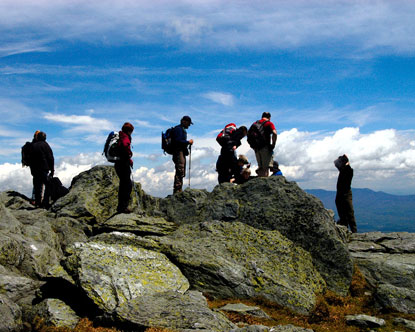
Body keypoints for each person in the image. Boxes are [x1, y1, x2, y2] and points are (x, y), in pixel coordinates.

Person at [30, 131, 54, 208]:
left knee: (37, 186)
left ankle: (37, 202)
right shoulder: (46, 145)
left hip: (35, 169)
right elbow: (50, 158)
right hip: (44, 169)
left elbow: (30, 158)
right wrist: (52, 170)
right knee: (48, 185)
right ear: (44, 138)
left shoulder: (33, 146)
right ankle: (45, 202)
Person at [115, 122, 134, 214]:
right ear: (129, 130)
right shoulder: (125, 137)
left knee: (123, 184)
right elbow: (125, 145)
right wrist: (129, 154)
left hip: (119, 163)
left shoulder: (120, 136)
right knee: (127, 185)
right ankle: (123, 207)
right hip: (123, 164)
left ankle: (121, 206)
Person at [171, 116, 194, 194]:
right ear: (184, 122)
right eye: (189, 123)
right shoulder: (178, 129)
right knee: (180, 169)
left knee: (181, 169)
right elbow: (178, 141)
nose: (189, 125)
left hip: (180, 152)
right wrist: (188, 142)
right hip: (178, 152)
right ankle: (177, 189)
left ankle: (179, 188)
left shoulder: (180, 129)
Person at [334, 154, 357, 233]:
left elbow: (345, 167)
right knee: (343, 214)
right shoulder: (344, 170)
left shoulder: (348, 170)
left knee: (349, 213)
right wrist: (345, 159)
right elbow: (338, 164)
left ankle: (354, 231)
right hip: (340, 194)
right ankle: (345, 230)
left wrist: (346, 160)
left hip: (345, 194)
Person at [250, 112, 277, 177]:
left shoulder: (255, 123)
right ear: (269, 117)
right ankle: (264, 185)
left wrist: (253, 146)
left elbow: (249, 135)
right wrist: (273, 144)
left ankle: (260, 184)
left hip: (256, 148)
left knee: (260, 167)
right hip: (265, 147)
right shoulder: (269, 123)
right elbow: (274, 133)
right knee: (265, 168)